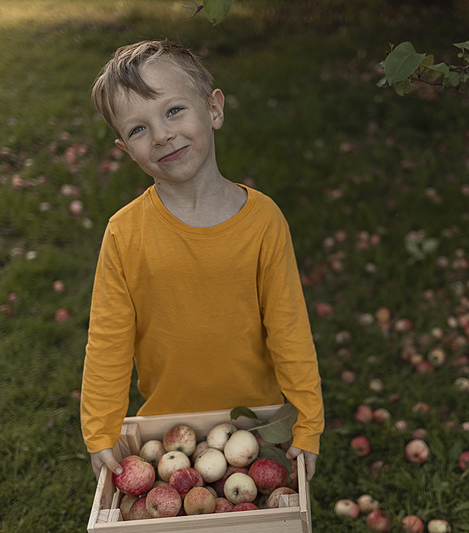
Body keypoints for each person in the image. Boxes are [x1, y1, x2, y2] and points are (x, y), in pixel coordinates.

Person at [80, 40, 324, 482]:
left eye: (173, 111)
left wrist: (307, 423)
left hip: (259, 426)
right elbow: (108, 340)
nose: (161, 136)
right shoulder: (124, 233)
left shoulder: (263, 221)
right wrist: (99, 430)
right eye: (138, 130)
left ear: (213, 109)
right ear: (125, 149)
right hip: (169, 435)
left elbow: (290, 330)